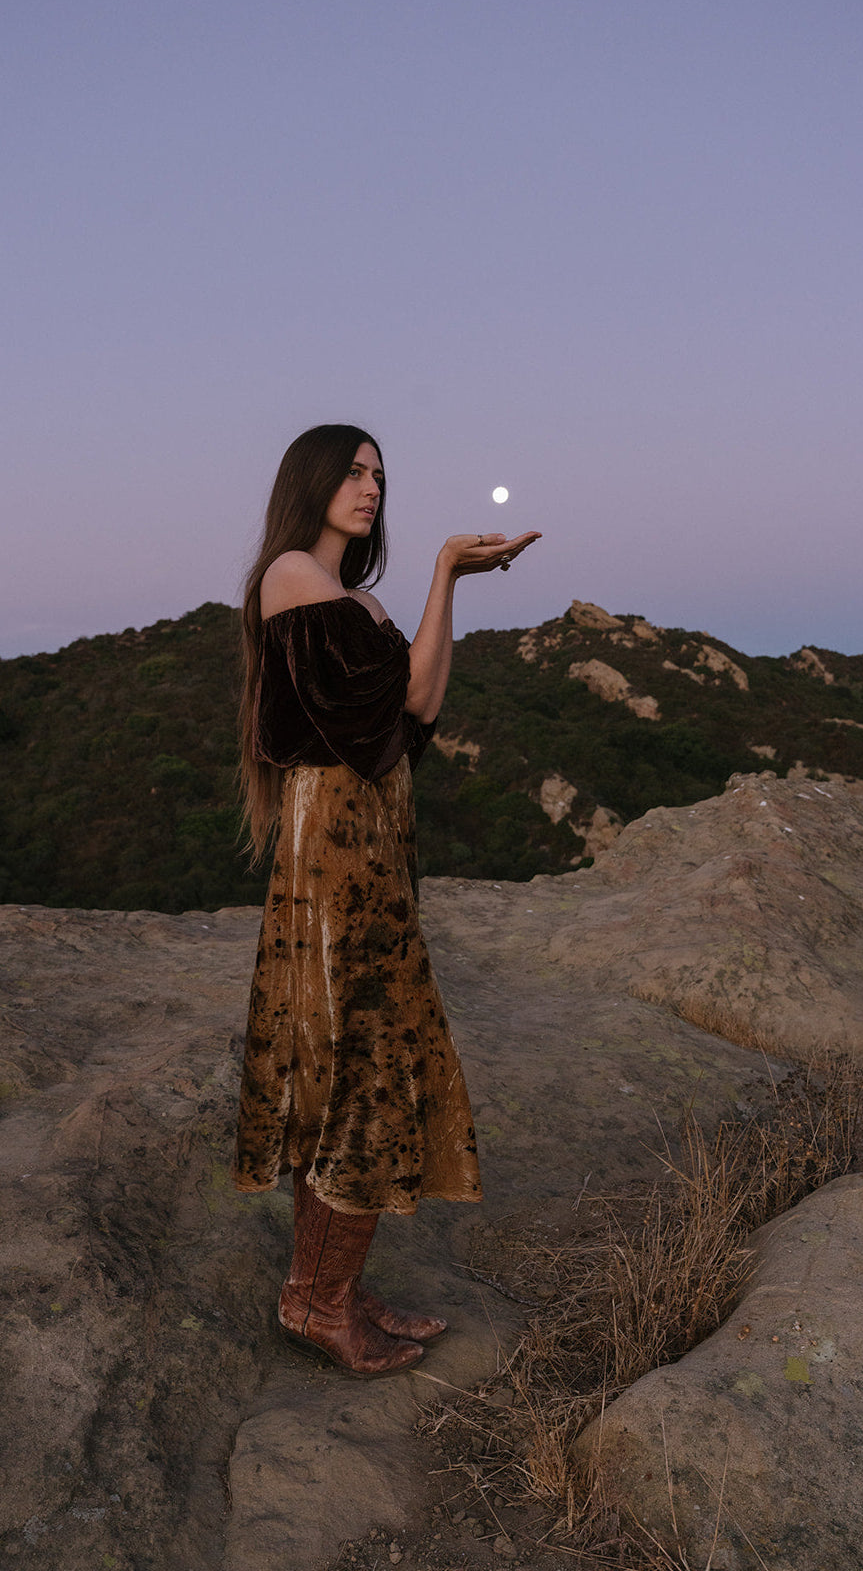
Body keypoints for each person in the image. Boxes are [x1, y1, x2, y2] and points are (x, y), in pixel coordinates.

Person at [233, 423, 540, 1376]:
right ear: (312, 480)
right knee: (359, 1063)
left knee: (356, 1058)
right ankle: (317, 1304)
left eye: (378, 475)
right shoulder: (292, 574)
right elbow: (374, 714)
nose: (370, 487)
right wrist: (444, 561)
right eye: (353, 471)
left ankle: (323, 1291)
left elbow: (415, 709)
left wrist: (444, 579)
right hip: (332, 847)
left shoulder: (352, 597)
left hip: (373, 842)